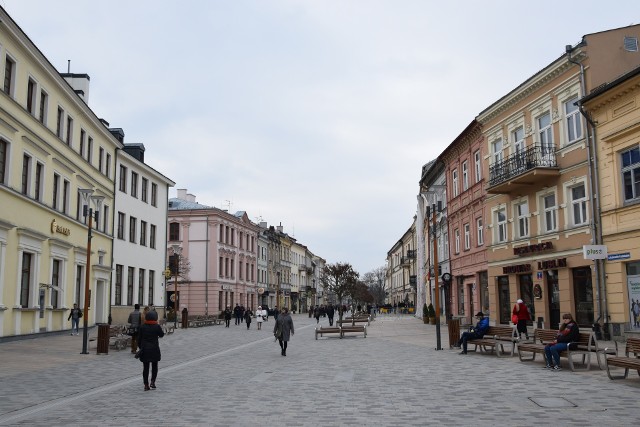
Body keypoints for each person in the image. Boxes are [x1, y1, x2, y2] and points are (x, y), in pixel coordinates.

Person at [137, 310, 165, 391]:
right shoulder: (157, 326)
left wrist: (140, 347)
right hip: (154, 349)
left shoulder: (142, 327)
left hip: (145, 349)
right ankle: (153, 382)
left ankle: (146, 384)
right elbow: (162, 335)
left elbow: (139, 339)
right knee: (154, 366)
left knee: (145, 368)